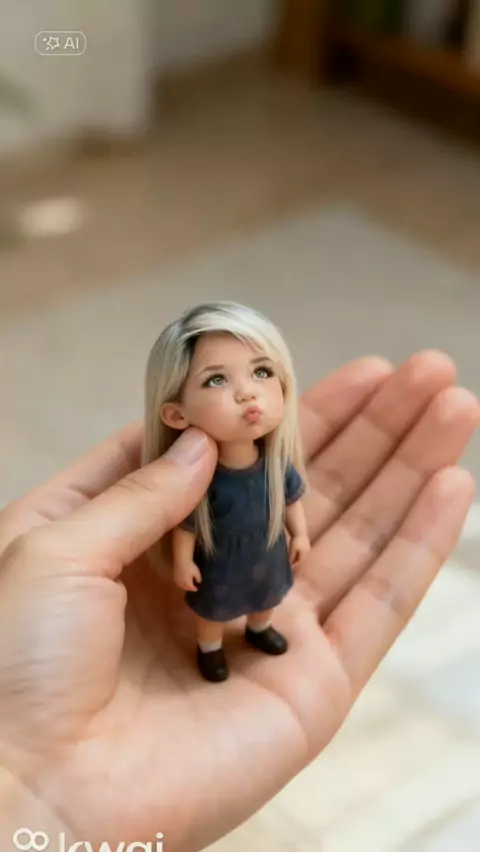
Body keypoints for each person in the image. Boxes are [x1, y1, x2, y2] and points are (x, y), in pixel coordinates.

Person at [0, 351, 478, 852]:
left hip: (267, 553)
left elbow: (292, 503)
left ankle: (258, 628)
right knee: (214, 610)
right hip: (222, 561)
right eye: (217, 381)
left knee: (268, 598)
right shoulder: (206, 478)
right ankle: (210, 649)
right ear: (176, 415)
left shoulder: (275, 464)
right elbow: (186, 524)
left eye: (261, 373)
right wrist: (182, 561)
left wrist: (301, 534)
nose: (247, 391)